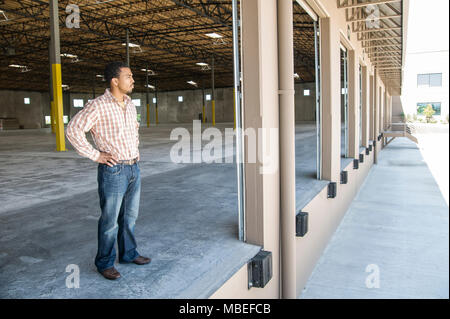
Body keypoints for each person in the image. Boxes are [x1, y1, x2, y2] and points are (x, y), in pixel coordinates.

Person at [66, 61, 150, 280]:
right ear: (115, 81)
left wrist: (135, 152)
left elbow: (134, 130)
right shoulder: (98, 105)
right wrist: (96, 155)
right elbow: (73, 130)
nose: (133, 80)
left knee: (130, 217)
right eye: (129, 76)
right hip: (113, 171)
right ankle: (104, 263)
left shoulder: (130, 104)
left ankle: (129, 254)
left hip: (134, 167)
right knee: (110, 221)